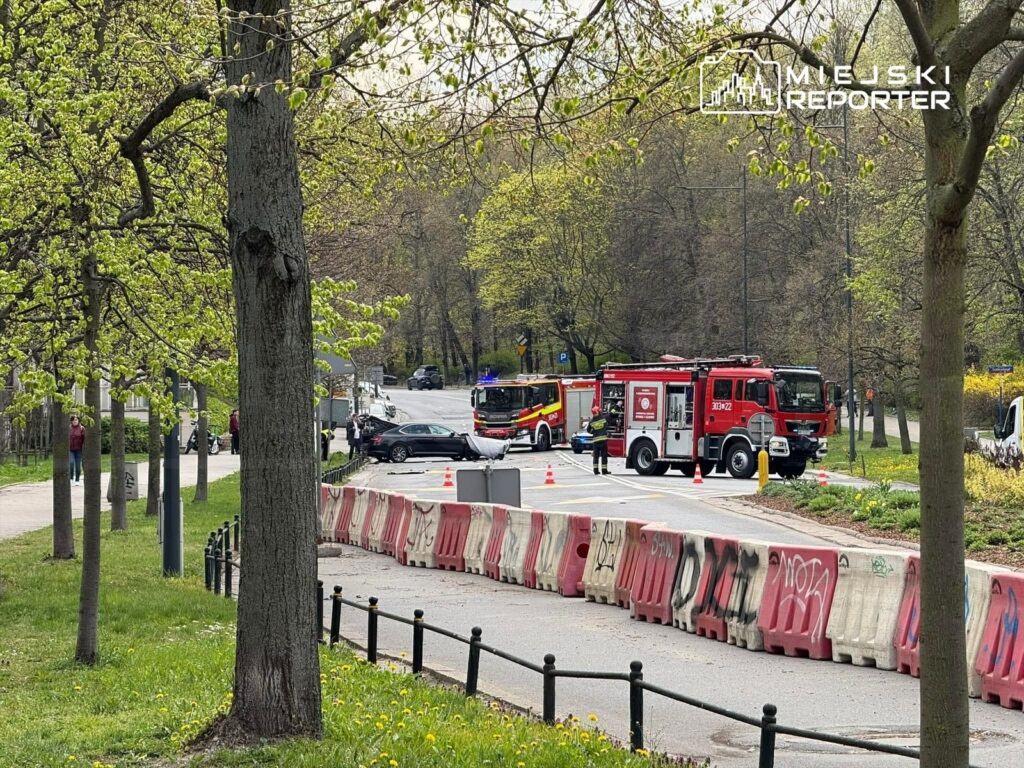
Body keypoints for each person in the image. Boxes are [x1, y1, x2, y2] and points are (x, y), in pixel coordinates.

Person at [588, 405, 610, 475]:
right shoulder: (603, 419)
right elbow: (607, 425)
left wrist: (593, 432)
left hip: (595, 441)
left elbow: (588, 430)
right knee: (604, 456)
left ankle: (595, 470)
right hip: (603, 441)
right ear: (598, 412)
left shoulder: (591, 421)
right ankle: (604, 470)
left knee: (596, 457)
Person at [68, 415, 85, 486]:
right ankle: (71, 478)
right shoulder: (68, 428)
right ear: (71, 421)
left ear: (78, 421)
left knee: (78, 466)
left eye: (76, 420)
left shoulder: (82, 428)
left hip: (79, 450)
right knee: (71, 463)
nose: (75, 421)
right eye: (74, 420)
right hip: (70, 449)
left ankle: (77, 480)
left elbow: (84, 439)